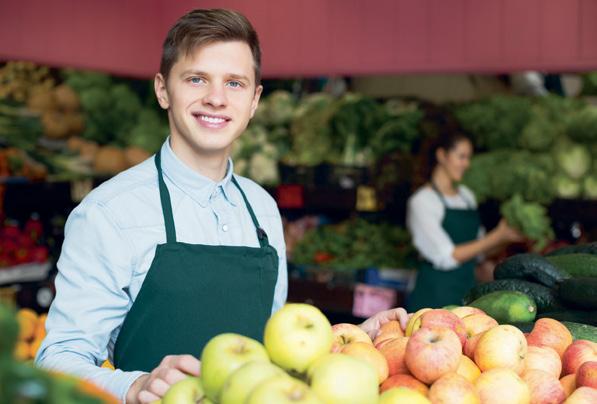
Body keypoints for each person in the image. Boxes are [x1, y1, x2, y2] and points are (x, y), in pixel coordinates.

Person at [35, 9, 409, 404]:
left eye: (234, 83)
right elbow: (57, 359)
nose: (216, 98)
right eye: (196, 79)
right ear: (163, 90)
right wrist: (133, 386)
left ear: (254, 100)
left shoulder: (262, 209)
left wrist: (347, 343)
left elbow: (270, 355)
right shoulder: (108, 213)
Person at [406, 130, 524, 311]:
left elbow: (479, 250)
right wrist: (496, 236)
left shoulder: (467, 197)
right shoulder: (423, 201)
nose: (466, 164)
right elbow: (448, 256)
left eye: (469, 158)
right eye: (461, 157)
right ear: (442, 155)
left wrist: (505, 238)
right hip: (435, 295)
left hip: (468, 294)